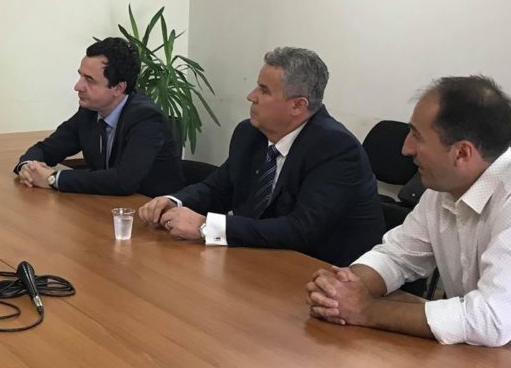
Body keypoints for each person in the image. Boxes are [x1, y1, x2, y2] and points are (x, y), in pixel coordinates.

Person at [306, 76, 511, 353]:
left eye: (417, 136)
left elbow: (490, 319)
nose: (406, 148)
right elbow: (397, 256)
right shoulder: (447, 185)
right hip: (485, 355)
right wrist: (340, 291)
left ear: (462, 153)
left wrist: (366, 311)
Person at [138, 47, 384, 266]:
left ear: (298, 105)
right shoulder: (249, 133)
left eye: (264, 90)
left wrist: (206, 227)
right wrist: (176, 201)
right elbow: (218, 189)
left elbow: (301, 230)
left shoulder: (335, 148)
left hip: (322, 272)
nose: (251, 95)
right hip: (259, 260)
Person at [14, 37, 184, 196]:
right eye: (80, 75)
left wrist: (53, 179)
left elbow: (124, 180)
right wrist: (27, 167)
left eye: (89, 80)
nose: (78, 86)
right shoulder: (90, 111)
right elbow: (47, 149)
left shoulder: (146, 118)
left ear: (118, 88)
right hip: (105, 205)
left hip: (151, 211)